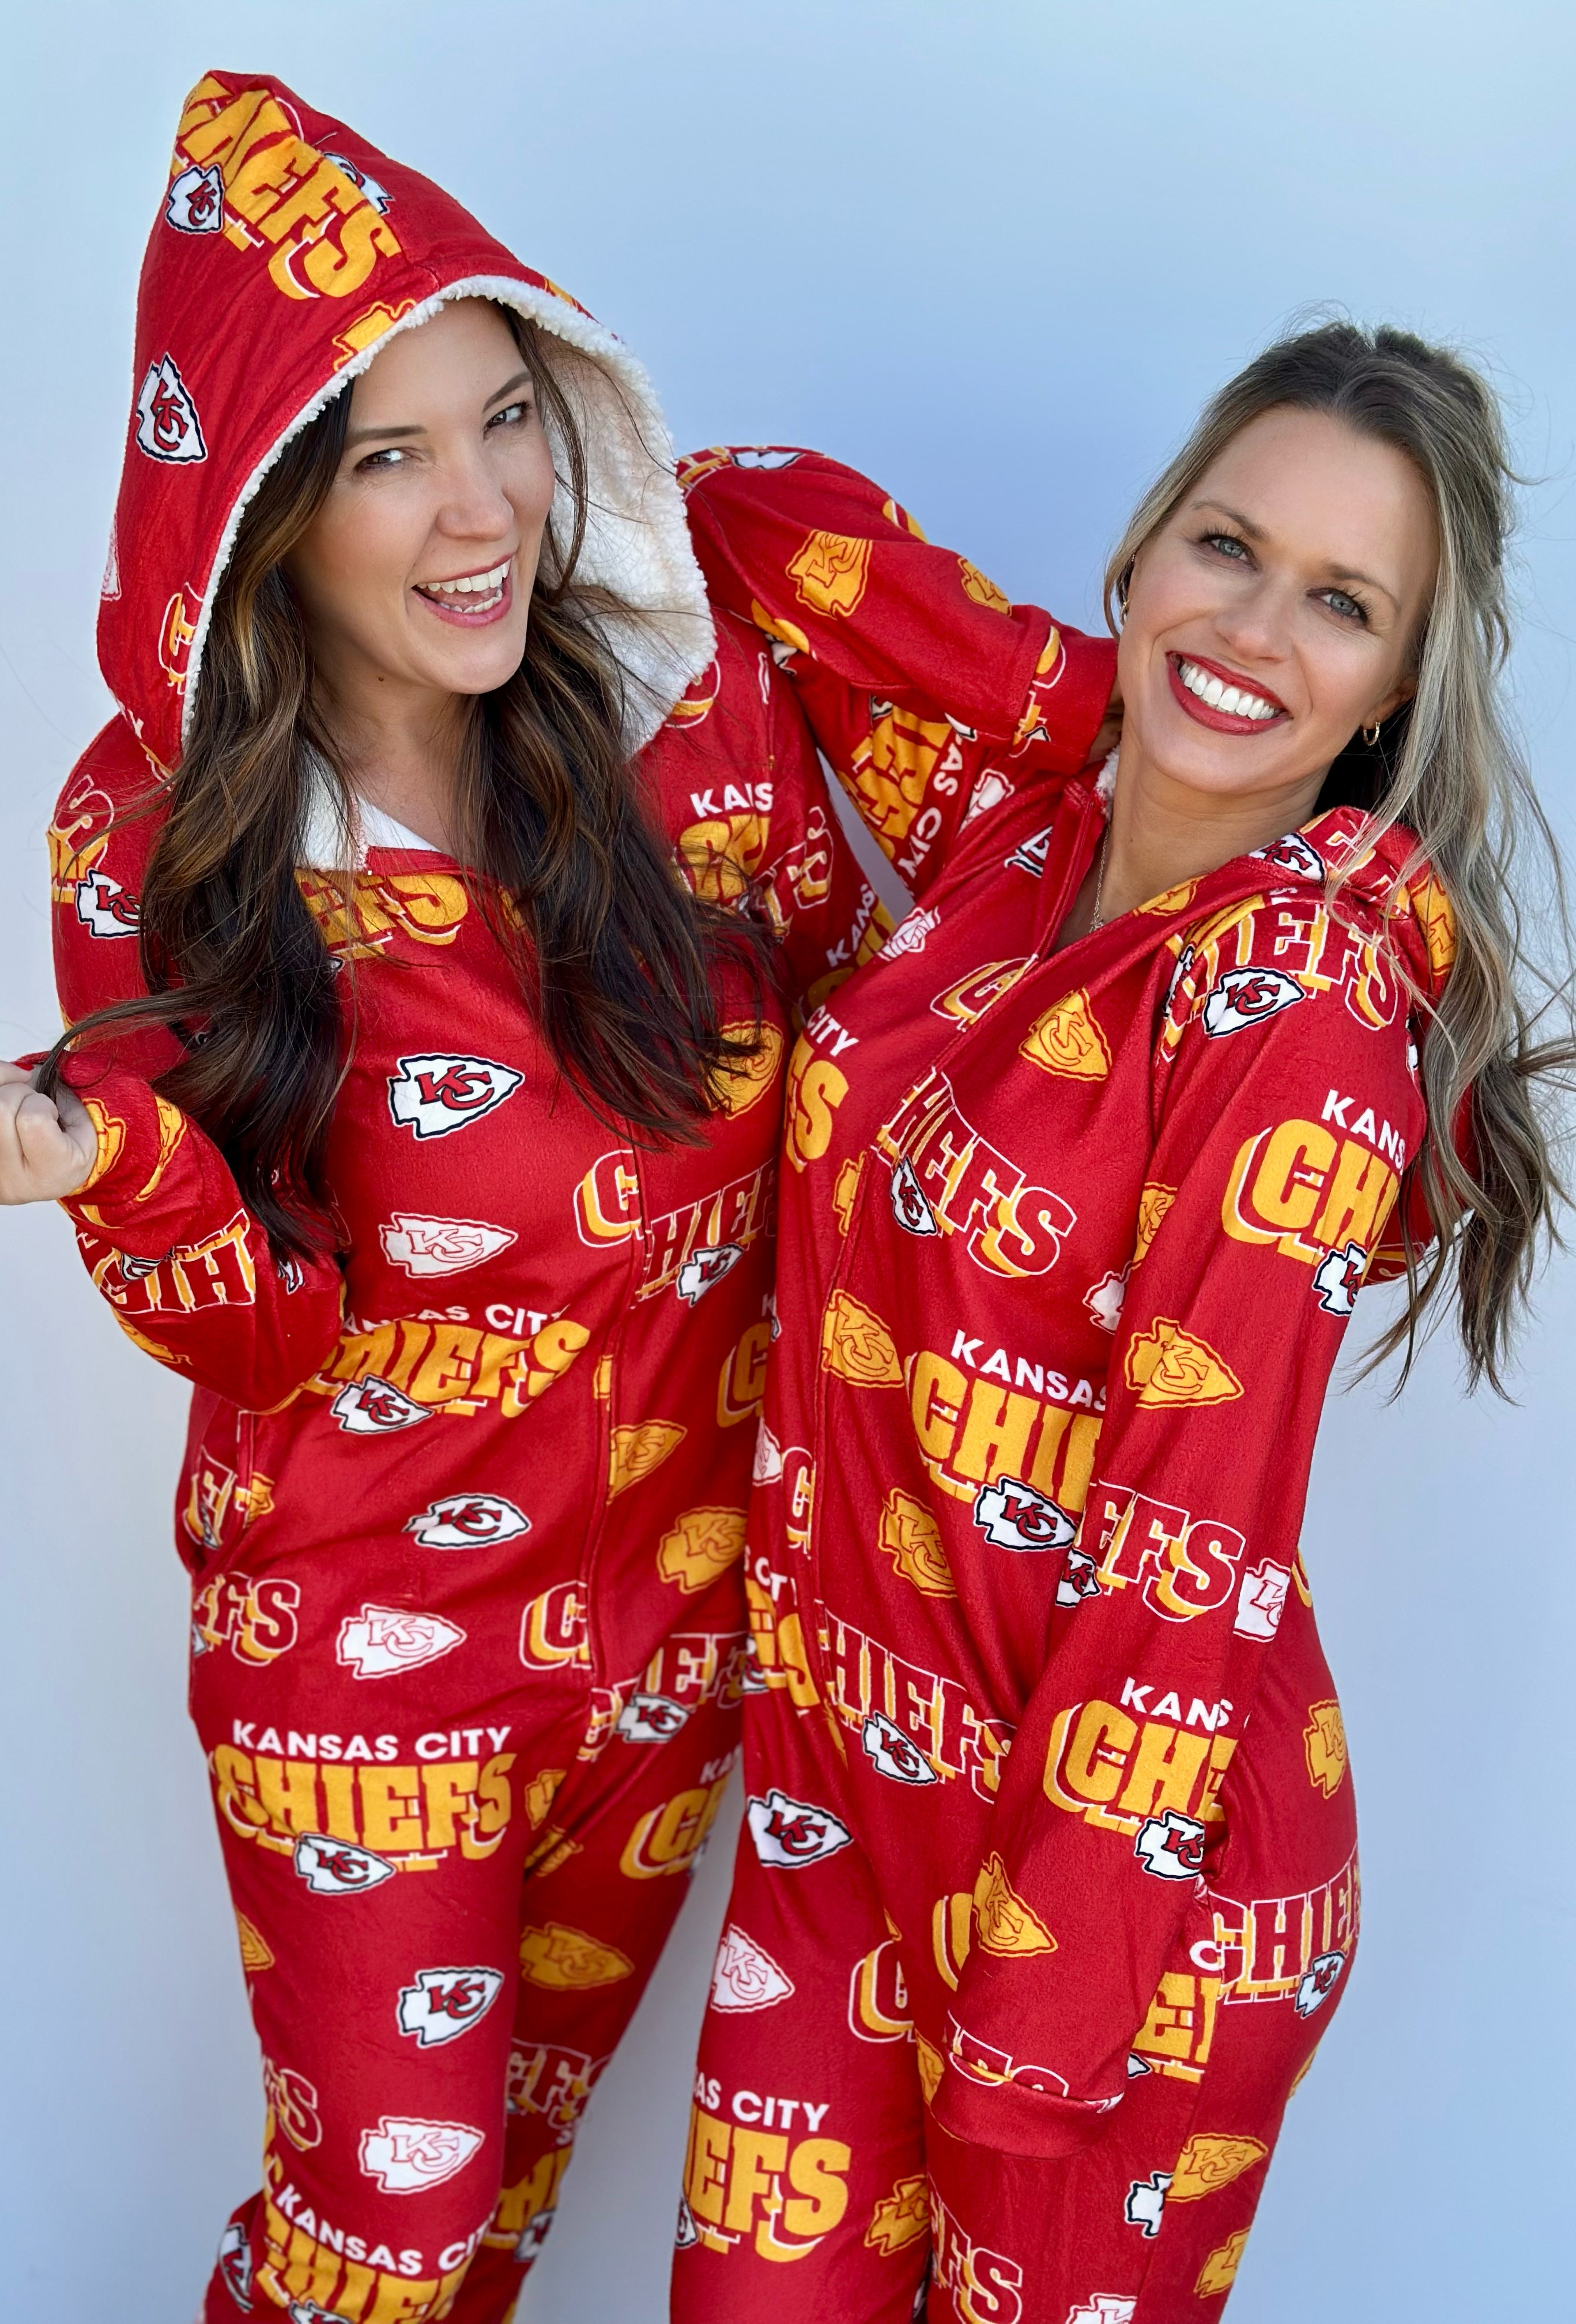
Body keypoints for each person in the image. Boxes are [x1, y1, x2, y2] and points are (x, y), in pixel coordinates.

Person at [0, 73, 1114, 2324]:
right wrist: (110, 1167)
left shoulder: (703, 687)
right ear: (266, 512)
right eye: (388, 456)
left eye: (510, 420)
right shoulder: (158, 836)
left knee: (495, 2225)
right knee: (380, 2255)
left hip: (685, 1645)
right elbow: (260, 1329)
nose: (482, 512)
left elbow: (1054, 836)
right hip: (365, 1670)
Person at [665, 325, 1572, 2322]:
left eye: (1337, 605)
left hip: (1126, 1907)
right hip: (840, 1796)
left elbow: (1197, 1536)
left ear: (1396, 690)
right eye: (1222, 547)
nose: (1251, 626)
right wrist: (1096, 691)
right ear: (1141, 543)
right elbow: (728, 517)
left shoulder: (1300, 1009)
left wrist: (1043, 2031)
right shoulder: (1021, 830)